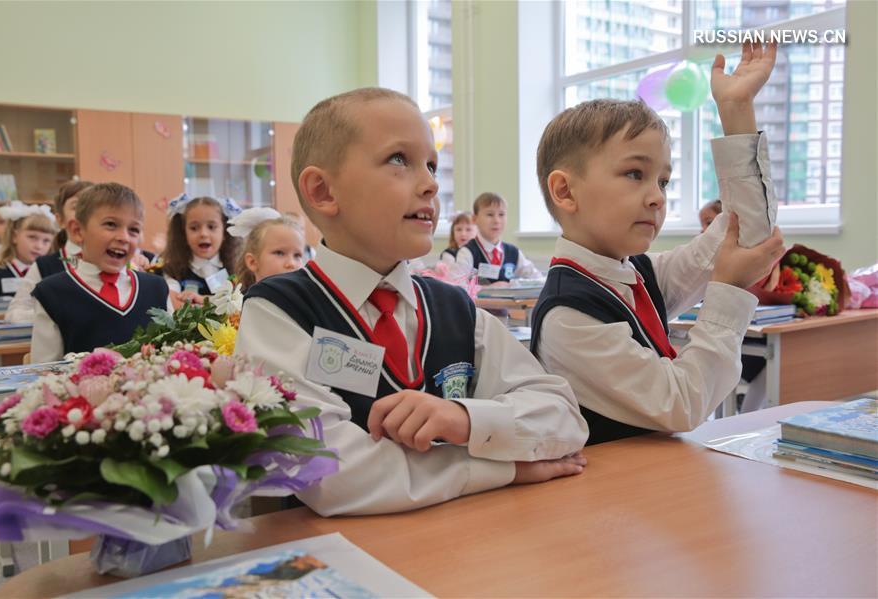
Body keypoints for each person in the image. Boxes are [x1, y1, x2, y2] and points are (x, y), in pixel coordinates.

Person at [236, 87, 589, 516]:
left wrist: (465, 420)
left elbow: (563, 417)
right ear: (323, 191)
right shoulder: (276, 309)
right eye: (399, 160)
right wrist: (501, 467)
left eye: (432, 165)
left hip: (466, 549)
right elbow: (327, 472)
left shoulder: (454, 307)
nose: (430, 184)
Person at [530, 41, 786, 444]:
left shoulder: (636, 273)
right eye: (635, 174)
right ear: (565, 191)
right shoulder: (569, 316)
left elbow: (745, 233)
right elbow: (681, 404)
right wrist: (729, 290)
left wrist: (737, 113)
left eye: (663, 181)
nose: (657, 196)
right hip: (607, 498)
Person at [29, 183, 170, 362]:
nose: (124, 237)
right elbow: (44, 372)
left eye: (133, 230)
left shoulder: (156, 288)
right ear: (77, 231)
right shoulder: (51, 293)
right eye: (111, 225)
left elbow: (171, 356)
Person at [5, 180, 93, 322]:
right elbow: (13, 314)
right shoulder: (44, 266)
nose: (85, 213)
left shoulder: (117, 260)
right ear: (60, 219)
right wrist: (53, 314)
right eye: (77, 206)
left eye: (92, 207)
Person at [158, 194, 241, 307]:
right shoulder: (173, 270)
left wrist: (202, 301)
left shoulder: (237, 268)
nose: (203, 234)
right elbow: (173, 303)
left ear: (225, 232)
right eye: (194, 228)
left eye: (211, 227)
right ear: (183, 233)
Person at [456, 192, 540, 283]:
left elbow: (536, 278)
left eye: (501, 214)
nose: (496, 221)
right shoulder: (467, 252)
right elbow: (458, 287)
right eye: (490, 215)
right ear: (474, 219)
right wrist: (488, 289)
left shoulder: (513, 252)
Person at [0, 202, 56, 298]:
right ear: (14, 236)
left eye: (46, 241)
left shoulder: (51, 274)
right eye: (32, 237)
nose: (39, 246)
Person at [229, 207, 307, 290]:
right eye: (279, 253)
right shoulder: (244, 302)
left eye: (297, 255)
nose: (291, 263)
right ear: (253, 262)